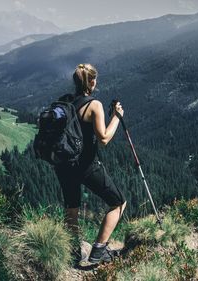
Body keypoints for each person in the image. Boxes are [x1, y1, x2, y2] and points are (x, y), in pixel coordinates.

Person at [54, 63, 127, 265]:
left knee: (72, 209)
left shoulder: (64, 101)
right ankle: (99, 250)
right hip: (86, 166)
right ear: (92, 81)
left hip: (63, 165)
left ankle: (72, 252)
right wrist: (117, 118)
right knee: (118, 203)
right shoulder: (94, 105)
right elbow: (103, 139)